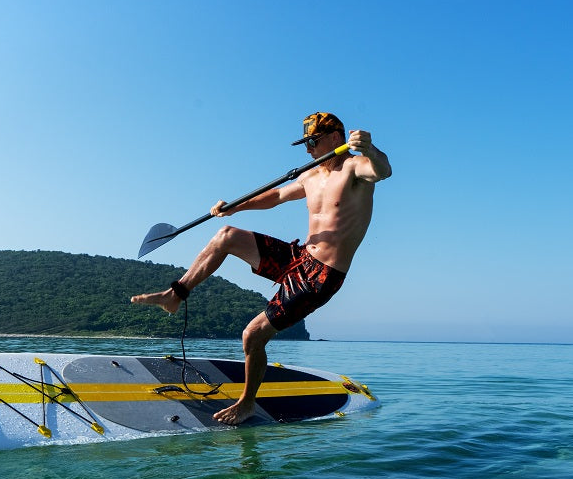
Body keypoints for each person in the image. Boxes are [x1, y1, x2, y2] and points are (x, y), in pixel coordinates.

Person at [130, 112, 392, 425]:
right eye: (306, 143)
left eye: (313, 141)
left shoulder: (354, 168)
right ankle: (176, 293)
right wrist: (234, 207)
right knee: (226, 236)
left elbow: (383, 170)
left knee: (252, 336)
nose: (308, 149)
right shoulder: (310, 175)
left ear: (335, 137)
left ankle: (247, 403)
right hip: (298, 258)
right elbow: (278, 195)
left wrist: (369, 148)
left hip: (321, 277)